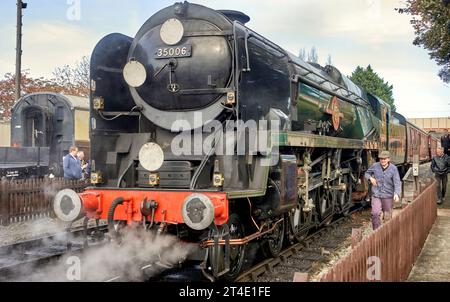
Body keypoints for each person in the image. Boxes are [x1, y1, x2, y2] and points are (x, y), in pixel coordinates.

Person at [364, 151, 402, 230]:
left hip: (388, 195)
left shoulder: (393, 169)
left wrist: (396, 194)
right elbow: (366, 174)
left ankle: (387, 232)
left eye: (384, 159)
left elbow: (397, 182)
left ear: (388, 159)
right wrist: (371, 178)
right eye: (381, 159)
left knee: (387, 216)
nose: (382, 160)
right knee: (375, 213)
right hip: (376, 194)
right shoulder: (375, 166)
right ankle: (376, 232)